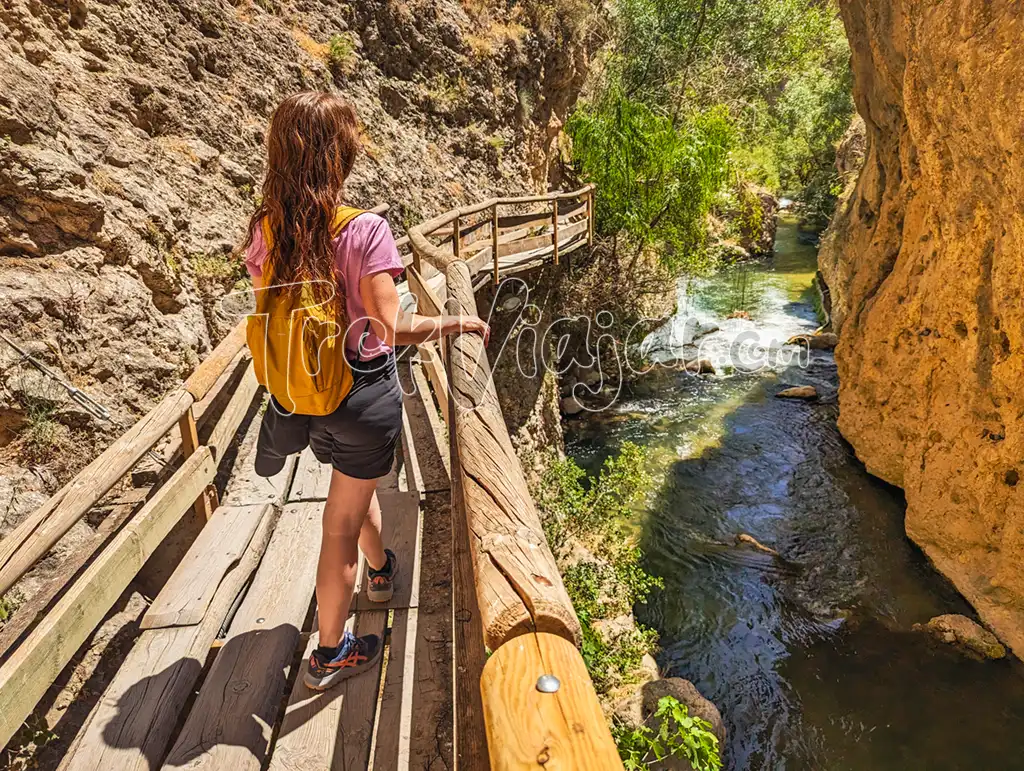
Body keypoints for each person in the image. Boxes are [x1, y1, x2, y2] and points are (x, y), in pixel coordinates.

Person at [240, 91, 489, 691]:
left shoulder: (265, 230)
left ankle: (380, 572)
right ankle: (330, 653)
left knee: (356, 489)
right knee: (337, 526)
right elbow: (391, 327)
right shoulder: (365, 231)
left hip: (304, 399)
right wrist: (454, 322)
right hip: (362, 396)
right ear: (338, 159)